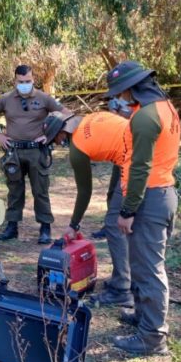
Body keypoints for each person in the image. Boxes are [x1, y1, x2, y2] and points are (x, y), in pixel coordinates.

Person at [103, 60, 181, 356]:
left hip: (149, 197)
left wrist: (127, 210)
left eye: (122, 92)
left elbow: (139, 168)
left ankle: (152, 338)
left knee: (149, 270)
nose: (120, 98)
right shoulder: (164, 108)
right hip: (163, 192)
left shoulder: (146, 118)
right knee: (141, 264)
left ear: (132, 89)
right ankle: (143, 316)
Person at [42, 108, 134, 308]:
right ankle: (126, 277)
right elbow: (120, 140)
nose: (57, 144)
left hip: (135, 161)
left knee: (113, 224)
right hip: (139, 151)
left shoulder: (77, 148)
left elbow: (85, 191)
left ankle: (123, 289)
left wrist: (74, 224)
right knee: (119, 209)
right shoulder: (91, 117)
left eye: (54, 140)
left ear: (61, 133)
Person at [0, 64, 73, 244]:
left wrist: (50, 135)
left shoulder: (43, 98)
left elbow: (66, 114)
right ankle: (12, 227)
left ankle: (45, 227)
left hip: (36, 151)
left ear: (33, 79)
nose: (24, 84)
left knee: (40, 190)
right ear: (15, 80)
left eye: (28, 81)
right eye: (21, 81)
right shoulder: (6, 99)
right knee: (15, 190)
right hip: (14, 151)